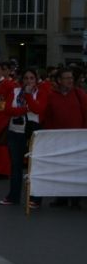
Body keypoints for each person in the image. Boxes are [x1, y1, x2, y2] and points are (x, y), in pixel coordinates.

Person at [0, 69, 47, 207]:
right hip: (15, 132)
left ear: (36, 79)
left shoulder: (41, 93)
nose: (29, 81)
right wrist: (25, 109)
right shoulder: (14, 92)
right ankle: (13, 196)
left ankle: (35, 198)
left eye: (32, 78)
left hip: (33, 133)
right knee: (16, 166)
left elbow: (38, 109)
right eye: (26, 78)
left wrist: (28, 96)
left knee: (34, 166)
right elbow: (7, 110)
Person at [43, 68, 87, 209]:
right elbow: (48, 117)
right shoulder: (52, 96)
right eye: (66, 78)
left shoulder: (80, 94)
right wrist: (49, 135)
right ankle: (61, 197)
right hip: (59, 139)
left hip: (77, 139)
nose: (70, 80)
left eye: (71, 78)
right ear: (59, 80)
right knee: (60, 169)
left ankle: (75, 199)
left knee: (76, 169)